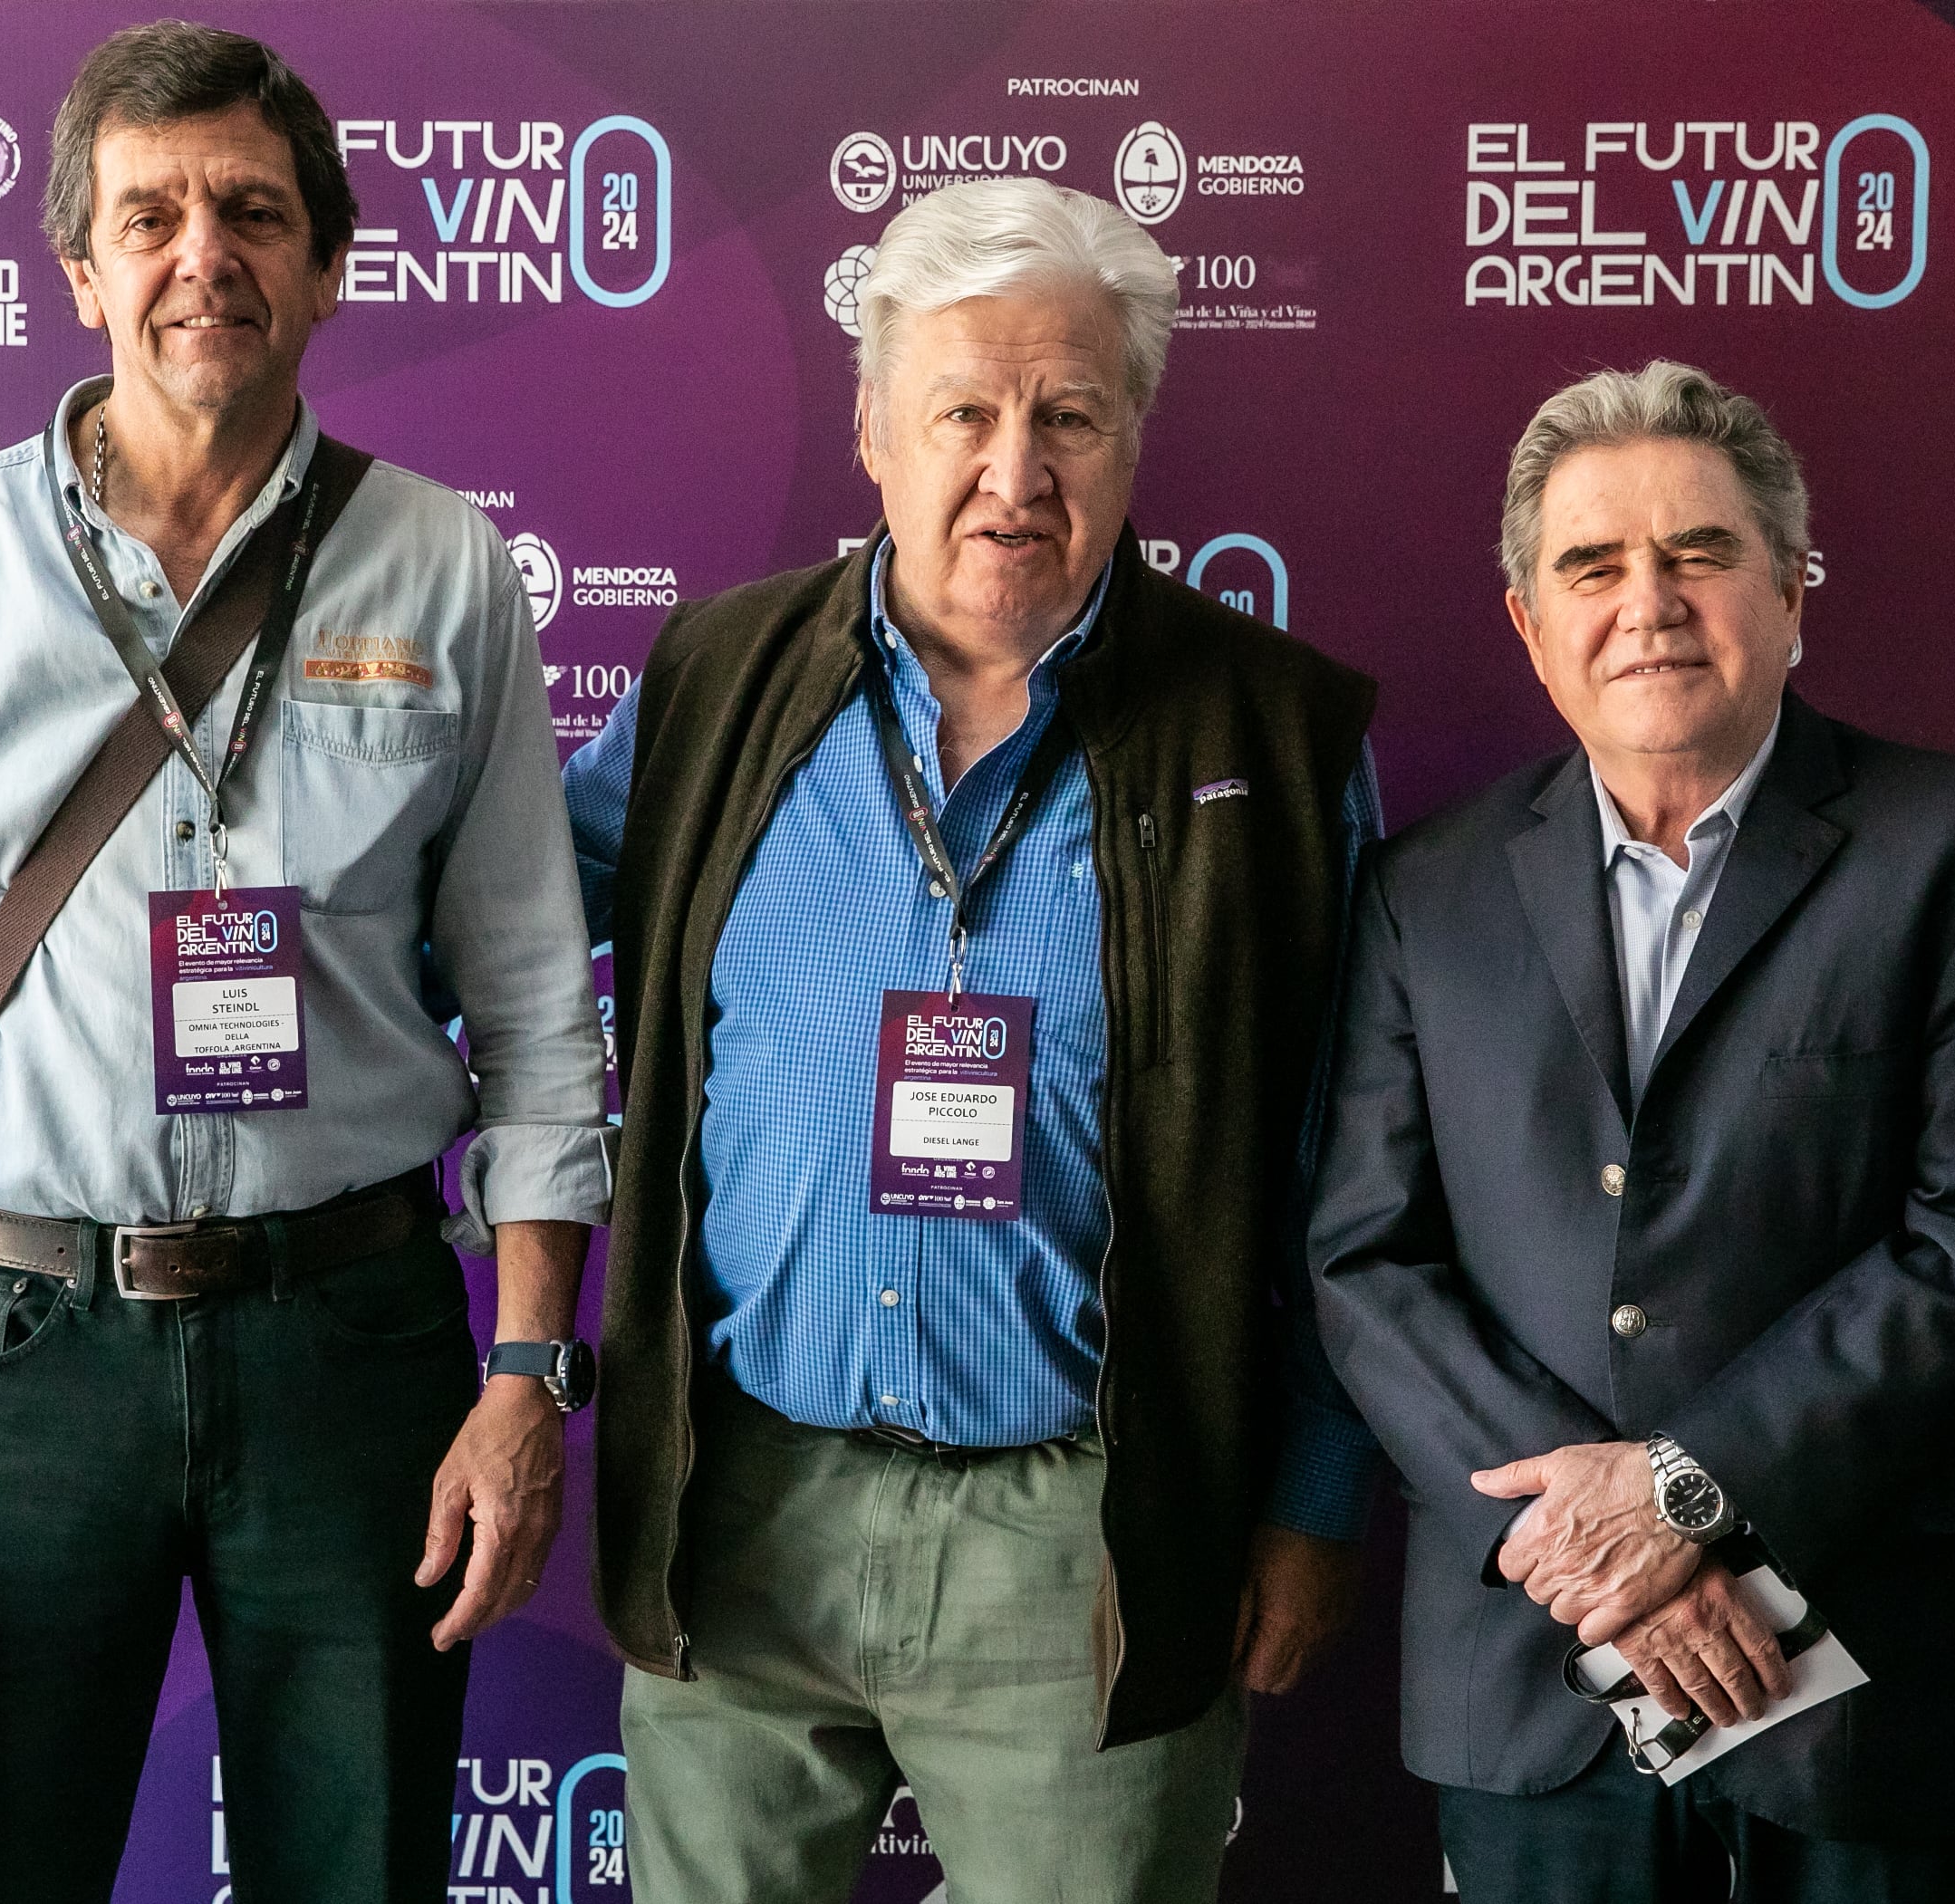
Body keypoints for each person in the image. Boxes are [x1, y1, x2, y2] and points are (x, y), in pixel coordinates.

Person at [0, 24, 610, 1900]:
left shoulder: (444, 569)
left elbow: (533, 1013)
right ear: (81, 265)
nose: (206, 254)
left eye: (254, 212)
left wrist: (525, 1375)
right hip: (13, 1361)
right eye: (155, 214)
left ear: (329, 264)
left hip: (349, 1350)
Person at [563, 176, 1383, 1904]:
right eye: (963, 412)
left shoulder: (1275, 735)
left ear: (1133, 435)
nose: (1014, 471)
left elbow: (1344, 1156)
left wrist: (1308, 1496)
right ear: (871, 429)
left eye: (1068, 414)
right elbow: (492, 940)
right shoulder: (715, 679)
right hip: (740, 1500)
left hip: (1080, 1529)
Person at [1309, 361, 1955, 1900]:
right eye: (1592, 566)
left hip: (1877, 1695)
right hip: (1537, 1687)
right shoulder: (1426, 894)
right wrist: (1600, 1559)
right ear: (1530, 626)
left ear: (1794, 589)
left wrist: (1684, 1493)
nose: (1648, 604)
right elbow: (1363, 1260)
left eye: (1700, 553)